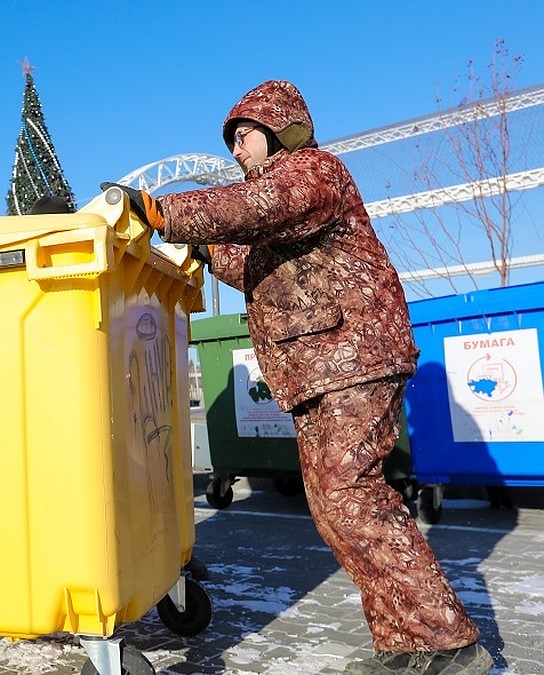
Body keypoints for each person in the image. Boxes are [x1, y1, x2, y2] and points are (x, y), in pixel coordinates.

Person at [116, 80, 492, 675]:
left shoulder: (311, 172)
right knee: (335, 507)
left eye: (244, 136)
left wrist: (162, 210)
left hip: (352, 356)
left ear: (278, 128)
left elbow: (254, 207)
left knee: (352, 496)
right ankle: (406, 643)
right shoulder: (280, 204)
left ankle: (448, 643)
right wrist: (205, 252)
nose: (237, 150)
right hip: (319, 368)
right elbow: (251, 259)